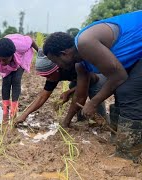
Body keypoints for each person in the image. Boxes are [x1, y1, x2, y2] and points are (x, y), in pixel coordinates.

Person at [43, 11, 142, 161]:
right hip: (135, 55)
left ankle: (128, 155)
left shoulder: (85, 43)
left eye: (56, 61)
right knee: (121, 92)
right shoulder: (80, 65)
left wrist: (94, 103)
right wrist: (65, 123)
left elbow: (118, 76)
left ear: (64, 53)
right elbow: (80, 95)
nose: (58, 66)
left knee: (127, 91)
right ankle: (117, 139)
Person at [14, 49, 107, 126]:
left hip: (100, 76)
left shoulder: (75, 66)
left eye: (49, 76)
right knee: (73, 86)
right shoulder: (53, 76)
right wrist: (24, 115)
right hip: (84, 80)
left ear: (57, 70)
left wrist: (66, 121)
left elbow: (93, 80)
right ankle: (82, 120)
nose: (48, 79)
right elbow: (42, 96)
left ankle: (103, 121)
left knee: (93, 91)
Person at [0, 34, 38, 123]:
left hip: (21, 57)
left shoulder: (22, 45)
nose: (1, 62)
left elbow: (31, 41)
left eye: (4, 60)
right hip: (8, 52)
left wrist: (39, 51)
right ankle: (5, 113)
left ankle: (14, 111)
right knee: (6, 81)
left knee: (16, 80)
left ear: (12, 55)